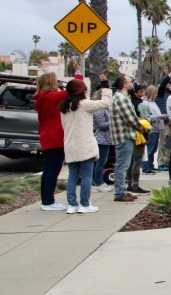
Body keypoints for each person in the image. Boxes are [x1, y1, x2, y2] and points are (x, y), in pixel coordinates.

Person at [59, 77, 112, 214]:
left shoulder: (64, 107)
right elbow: (106, 103)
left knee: (73, 175)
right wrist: (105, 86)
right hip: (85, 145)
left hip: (70, 144)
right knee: (87, 175)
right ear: (81, 91)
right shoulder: (85, 104)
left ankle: (72, 204)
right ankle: (85, 204)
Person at [109, 74, 147, 202]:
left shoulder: (121, 97)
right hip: (124, 136)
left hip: (124, 135)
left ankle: (122, 190)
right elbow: (130, 118)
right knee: (122, 166)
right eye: (131, 81)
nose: (133, 83)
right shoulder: (121, 98)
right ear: (125, 84)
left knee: (123, 165)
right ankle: (119, 193)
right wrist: (141, 128)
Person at [34, 72, 68, 210]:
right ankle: (48, 202)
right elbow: (74, 89)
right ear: (50, 83)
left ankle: (46, 200)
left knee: (48, 170)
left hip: (47, 136)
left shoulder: (42, 98)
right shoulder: (52, 97)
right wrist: (78, 73)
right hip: (55, 138)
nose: (58, 83)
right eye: (55, 81)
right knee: (53, 170)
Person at [126, 83, 150, 195]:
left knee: (130, 161)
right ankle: (135, 184)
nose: (143, 93)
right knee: (137, 161)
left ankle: (129, 183)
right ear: (135, 93)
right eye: (141, 91)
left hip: (129, 134)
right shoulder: (141, 105)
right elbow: (146, 119)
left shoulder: (128, 103)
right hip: (139, 135)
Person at [91, 89, 114, 192]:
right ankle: (98, 183)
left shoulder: (105, 109)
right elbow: (101, 126)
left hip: (106, 139)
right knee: (100, 162)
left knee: (102, 162)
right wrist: (113, 120)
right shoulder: (99, 110)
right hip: (101, 139)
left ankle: (99, 182)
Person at [139, 85, 164, 174]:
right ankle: (145, 166)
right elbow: (146, 117)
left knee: (154, 149)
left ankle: (151, 165)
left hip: (157, 129)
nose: (157, 94)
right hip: (151, 129)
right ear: (152, 93)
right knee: (149, 148)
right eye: (155, 93)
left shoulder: (153, 103)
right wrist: (158, 116)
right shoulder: (144, 104)